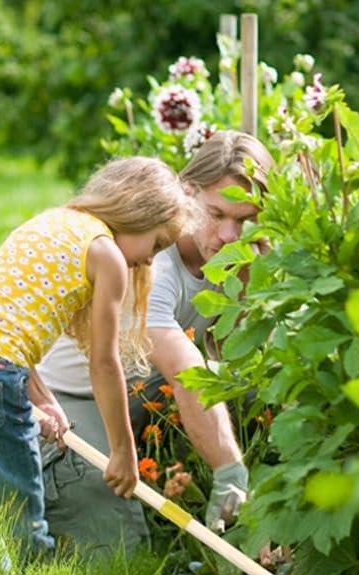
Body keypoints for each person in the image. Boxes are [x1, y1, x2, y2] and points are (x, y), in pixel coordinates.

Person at [0, 156, 195, 555]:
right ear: (137, 214)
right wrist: (122, 451)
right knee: (21, 498)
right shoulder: (107, 256)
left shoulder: (51, 221)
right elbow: (104, 364)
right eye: (156, 244)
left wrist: (46, 402)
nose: (152, 260)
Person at [36, 131, 275, 550]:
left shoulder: (237, 258)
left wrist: (253, 284)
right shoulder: (152, 261)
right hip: (70, 403)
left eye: (245, 219)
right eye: (216, 214)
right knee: (120, 556)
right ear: (187, 194)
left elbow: (250, 363)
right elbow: (187, 373)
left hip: (141, 396)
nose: (229, 235)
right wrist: (229, 472)